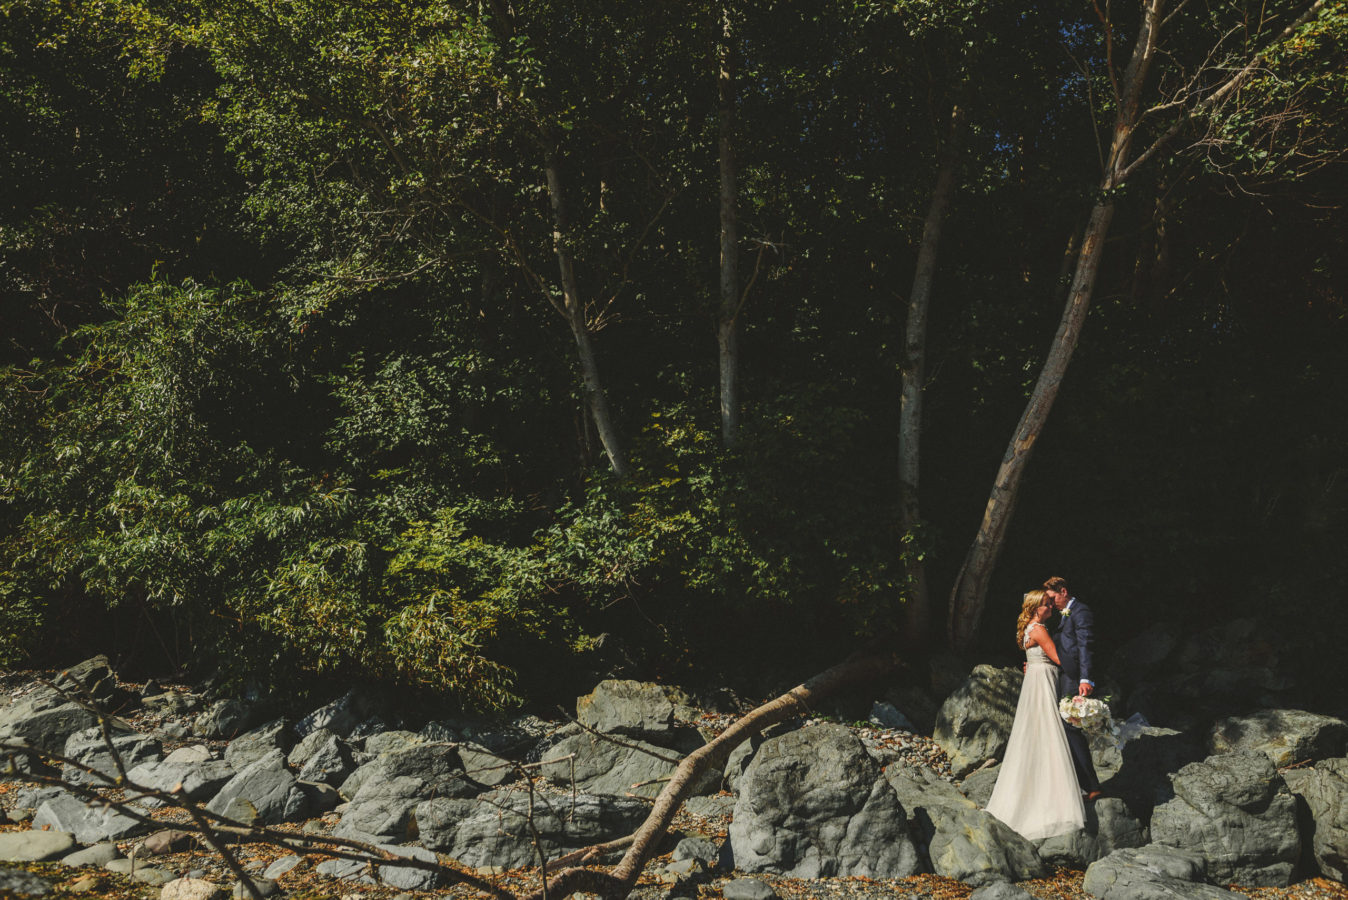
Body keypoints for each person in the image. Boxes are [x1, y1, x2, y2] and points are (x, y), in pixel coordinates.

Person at [984, 590, 1086, 840]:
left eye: (1050, 603)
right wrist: (1081, 668)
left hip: (1035, 679)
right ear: (1034, 608)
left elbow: (1034, 655)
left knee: (1036, 730)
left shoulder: (1028, 629)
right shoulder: (1039, 629)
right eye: (1045, 604)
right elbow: (1058, 659)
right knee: (1048, 728)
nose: (1050, 607)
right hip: (1043, 681)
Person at [1044, 576, 1102, 800]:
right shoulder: (1061, 615)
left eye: (1052, 598)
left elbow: (1086, 645)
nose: (1050, 603)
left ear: (1063, 591)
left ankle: (1091, 785)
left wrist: (1086, 679)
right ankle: (1078, 784)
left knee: (1070, 727)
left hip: (1074, 677)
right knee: (1064, 728)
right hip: (1061, 675)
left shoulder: (1081, 612)